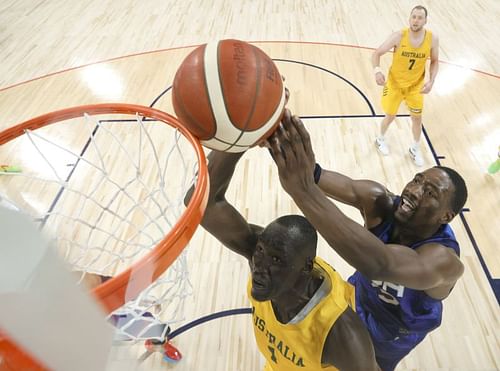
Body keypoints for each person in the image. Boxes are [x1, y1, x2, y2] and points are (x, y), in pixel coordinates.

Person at [269, 110, 467, 371]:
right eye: (417, 180)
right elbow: (314, 175)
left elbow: (380, 264)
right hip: (357, 295)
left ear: (446, 216)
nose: (414, 191)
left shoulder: (444, 261)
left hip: (394, 331)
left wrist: (303, 192)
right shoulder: (379, 201)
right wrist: (277, 136)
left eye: (430, 193)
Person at [185, 150, 379, 370]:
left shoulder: (341, 334)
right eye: (259, 250)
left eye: (276, 260)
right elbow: (199, 201)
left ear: (306, 268)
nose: (260, 267)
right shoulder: (261, 261)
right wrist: (234, 140)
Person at [372, 5, 439, 166]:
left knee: (417, 118)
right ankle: (380, 139)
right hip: (395, 84)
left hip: (415, 87)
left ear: (425, 20)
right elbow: (377, 53)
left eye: (419, 17)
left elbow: (435, 61)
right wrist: (377, 71)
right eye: (413, 17)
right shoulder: (399, 36)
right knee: (390, 116)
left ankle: (415, 148)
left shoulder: (432, 38)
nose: (416, 20)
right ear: (409, 18)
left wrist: (431, 81)